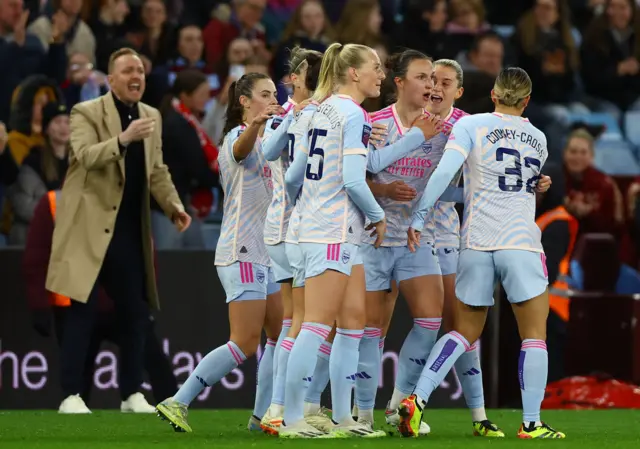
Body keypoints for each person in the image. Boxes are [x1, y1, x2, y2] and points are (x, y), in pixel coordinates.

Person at [400, 67, 565, 439]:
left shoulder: (471, 125)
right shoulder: (538, 137)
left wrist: (420, 216)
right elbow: (520, 181)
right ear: (526, 101)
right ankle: (532, 422)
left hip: (475, 240)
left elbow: (445, 173)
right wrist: (537, 183)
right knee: (534, 335)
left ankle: (417, 398)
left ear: (493, 94)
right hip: (520, 243)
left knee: (463, 332)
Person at [46, 47, 189, 414]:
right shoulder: (86, 112)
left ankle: (130, 393)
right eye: (127, 70)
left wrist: (173, 206)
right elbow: (82, 155)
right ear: (110, 80)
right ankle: (70, 395)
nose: (135, 75)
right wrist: (123, 139)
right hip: (89, 229)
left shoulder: (151, 116)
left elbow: (157, 171)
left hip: (128, 230)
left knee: (135, 314)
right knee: (82, 311)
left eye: (139, 69)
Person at [156, 72, 284, 433]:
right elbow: (242, 151)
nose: (272, 99)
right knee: (244, 342)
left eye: (275, 93)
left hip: (268, 253)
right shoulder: (234, 138)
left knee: (280, 333)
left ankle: (261, 419)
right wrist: (255, 126)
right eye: (264, 94)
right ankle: (178, 400)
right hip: (241, 250)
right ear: (244, 101)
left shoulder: (274, 141)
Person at [279, 42, 387, 439]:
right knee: (315, 324)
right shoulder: (354, 114)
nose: (382, 74)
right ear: (354, 73)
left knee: (353, 320)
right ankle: (291, 419)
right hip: (333, 232)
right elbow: (355, 180)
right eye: (375, 66)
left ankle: (344, 419)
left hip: (313, 227)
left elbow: (292, 177)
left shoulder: (316, 109)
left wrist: (305, 206)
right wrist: (378, 216)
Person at [352, 50, 446, 432]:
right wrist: (384, 189)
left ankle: (398, 404)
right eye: (422, 77)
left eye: (434, 79)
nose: (430, 85)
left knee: (429, 321)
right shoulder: (374, 124)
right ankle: (361, 413)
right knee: (370, 330)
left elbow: (454, 184)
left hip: (413, 239)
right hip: (372, 239)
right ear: (400, 82)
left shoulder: (442, 130)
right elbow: (354, 176)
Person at [24, 190, 178, 408]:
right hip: (75, 302)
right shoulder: (55, 202)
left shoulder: (125, 200)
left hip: (120, 304)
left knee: (155, 362)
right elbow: (36, 257)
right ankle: (74, 416)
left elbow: (145, 250)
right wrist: (39, 305)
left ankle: (173, 408)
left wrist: (144, 298)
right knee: (78, 379)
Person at [258, 47, 333, 434]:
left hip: (291, 227)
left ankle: (287, 406)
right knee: (304, 322)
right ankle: (284, 409)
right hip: (293, 226)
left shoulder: (311, 115)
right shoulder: (291, 115)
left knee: (299, 321)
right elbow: (269, 152)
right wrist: (294, 115)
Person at [153, 70, 219, 249]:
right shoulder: (178, 125)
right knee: (171, 260)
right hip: (169, 205)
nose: (207, 99)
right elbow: (197, 168)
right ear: (185, 96)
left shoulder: (183, 120)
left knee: (192, 254)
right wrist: (226, 181)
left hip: (180, 202)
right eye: (202, 94)